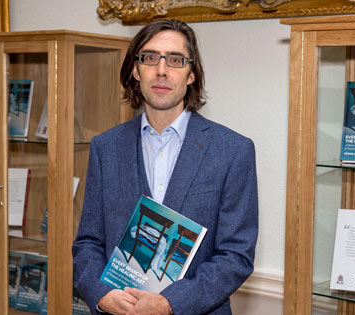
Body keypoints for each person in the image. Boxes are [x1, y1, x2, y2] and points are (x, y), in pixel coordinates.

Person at [72, 19, 258, 315]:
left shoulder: (233, 151)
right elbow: (88, 243)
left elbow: (235, 256)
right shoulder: (105, 148)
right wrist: (101, 294)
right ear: (135, 70)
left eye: (175, 60)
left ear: (192, 74)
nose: (161, 70)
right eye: (149, 58)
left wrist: (171, 303)